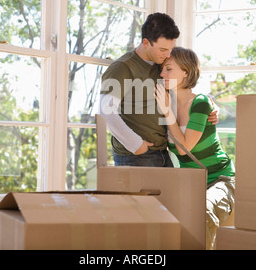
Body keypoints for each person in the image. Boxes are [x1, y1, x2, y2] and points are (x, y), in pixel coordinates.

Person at [99, 13, 219, 167]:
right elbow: (105, 111)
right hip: (136, 156)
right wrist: (136, 145)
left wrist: (210, 104)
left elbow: (184, 85)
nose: (168, 54)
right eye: (163, 49)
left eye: (170, 49)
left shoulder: (161, 65)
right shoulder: (123, 67)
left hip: (163, 153)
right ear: (146, 42)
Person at [154, 46, 235, 250]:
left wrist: (167, 114)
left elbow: (184, 149)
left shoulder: (200, 102)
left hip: (221, 179)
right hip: (193, 183)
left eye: (169, 69)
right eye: (162, 69)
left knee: (203, 212)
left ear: (186, 73)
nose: (162, 74)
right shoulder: (167, 102)